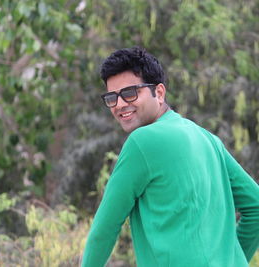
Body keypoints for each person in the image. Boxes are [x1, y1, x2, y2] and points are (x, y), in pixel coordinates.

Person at [81, 47, 259, 267]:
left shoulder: (143, 141)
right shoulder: (207, 139)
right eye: (111, 97)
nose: (119, 104)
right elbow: (256, 204)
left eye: (130, 93)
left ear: (160, 92)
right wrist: (230, 259)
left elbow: (104, 230)